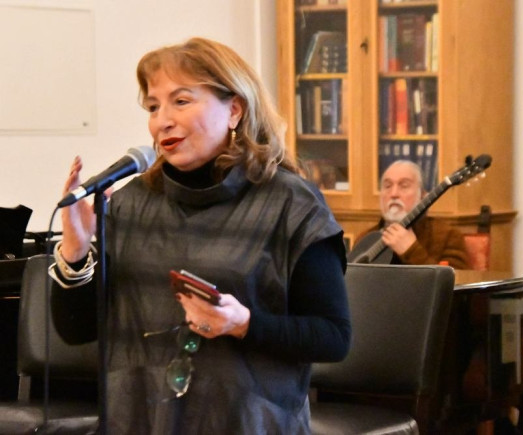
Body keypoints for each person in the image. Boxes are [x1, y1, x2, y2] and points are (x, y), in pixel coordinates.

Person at [49, 37, 351, 434]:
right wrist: (75, 253)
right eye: (153, 107)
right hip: (140, 421)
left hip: (247, 423)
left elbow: (333, 337)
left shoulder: (290, 204)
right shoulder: (129, 203)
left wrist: (245, 323)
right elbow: (76, 331)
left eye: (181, 101)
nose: (162, 121)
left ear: (234, 110)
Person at [352, 160, 469, 268]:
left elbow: (457, 281)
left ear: (422, 195)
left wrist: (411, 250)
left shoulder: (448, 236)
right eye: (387, 186)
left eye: (404, 186)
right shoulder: (364, 239)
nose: (393, 194)